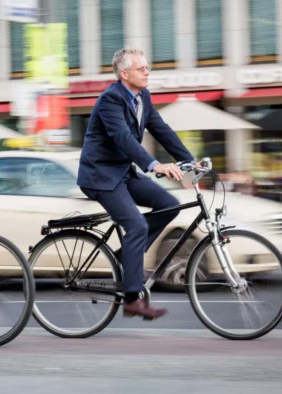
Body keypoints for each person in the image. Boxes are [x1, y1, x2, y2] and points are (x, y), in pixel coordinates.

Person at [77, 49, 196, 320]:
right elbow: (122, 138)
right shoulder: (111, 99)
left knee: (168, 205)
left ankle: (126, 257)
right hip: (101, 176)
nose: (147, 72)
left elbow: (161, 129)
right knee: (137, 225)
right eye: (141, 68)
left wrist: (190, 161)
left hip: (122, 173)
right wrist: (155, 165)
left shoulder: (143, 97)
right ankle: (132, 299)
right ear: (124, 74)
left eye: (147, 67)